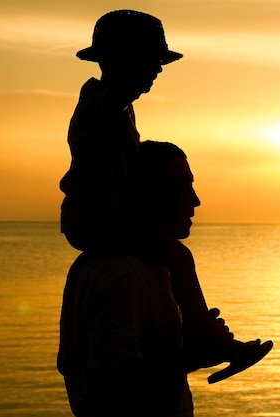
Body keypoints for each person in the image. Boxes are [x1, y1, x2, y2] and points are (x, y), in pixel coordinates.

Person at [59, 9, 272, 383]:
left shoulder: (120, 109)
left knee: (173, 258)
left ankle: (206, 335)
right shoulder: (102, 104)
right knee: (177, 254)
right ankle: (215, 343)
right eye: (150, 61)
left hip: (107, 215)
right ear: (118, 61)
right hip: (100, 217)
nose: (157, 71)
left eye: (159, 62)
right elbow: (112, 386)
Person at [57, 141, 199, 416]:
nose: (195, 200)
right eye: (183, 186)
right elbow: (110, 393)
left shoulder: (150, 266)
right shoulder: (121, 273)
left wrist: (183, 341)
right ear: (152, 193)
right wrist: (194, 355)